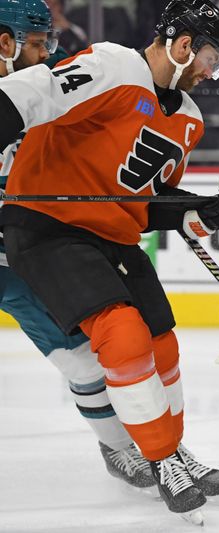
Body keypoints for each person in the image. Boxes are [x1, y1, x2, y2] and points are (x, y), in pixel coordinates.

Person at [0, 0, 219, 523]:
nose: (213, 73)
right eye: (212, 57)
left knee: (159, 338)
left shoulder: (188, 119)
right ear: (184, 45)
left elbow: (146, 203)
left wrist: (206, 210)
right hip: (48, 228)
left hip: (111, 238)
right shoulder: (113, 65)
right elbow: (33, 94)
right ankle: (161, 457)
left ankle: (169, 449)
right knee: (120, 335)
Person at [0, 0, 162, 497]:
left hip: (14, 254)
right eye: (36, 44)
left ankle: (117, 447)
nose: (48, 54)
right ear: (4, 42)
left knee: (85, 362)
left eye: (49, 43)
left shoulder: (54, 82)